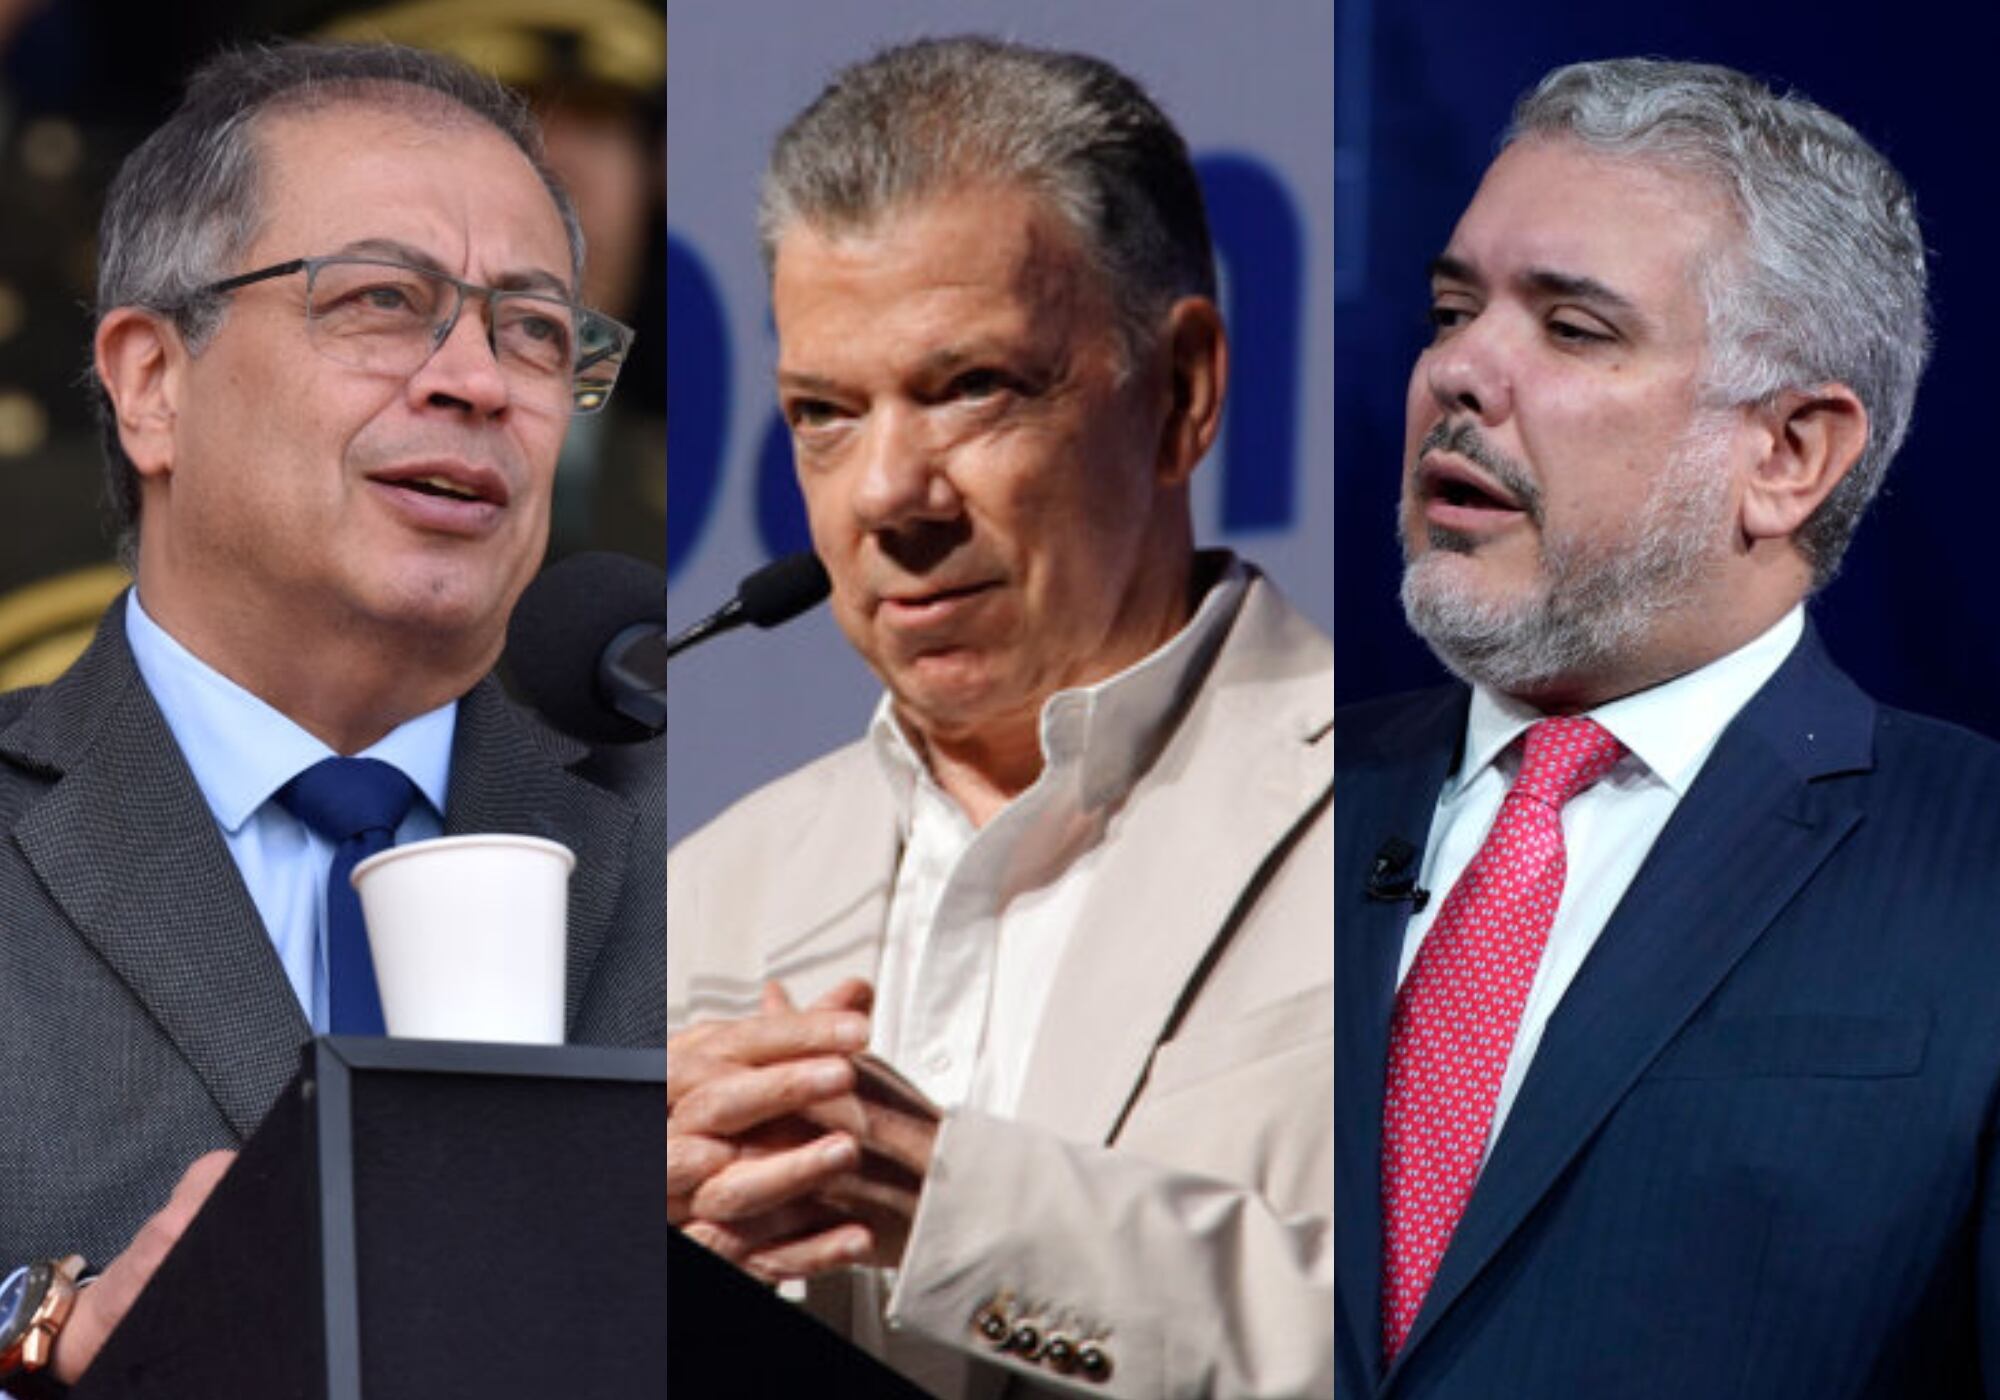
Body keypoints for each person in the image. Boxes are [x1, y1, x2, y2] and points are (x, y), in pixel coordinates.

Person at [667, 37, 1332, 1400]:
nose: (888, 499)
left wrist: (964, 1216)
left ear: (1183, 394)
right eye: (824, 415)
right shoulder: (704, 900)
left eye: (971, 388)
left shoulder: (1439, 823)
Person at [0, 40, 662, 1393]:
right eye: (381, 300)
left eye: (536, 329)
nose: (479, 381)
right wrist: (31, 1332)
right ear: (150, 383)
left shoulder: (712, 848)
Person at [1334, 58, 2000, 1398]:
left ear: (1788, 456)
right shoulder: (1275, 797)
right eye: (1453, 308)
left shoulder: (1972, 865)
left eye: (1572, 329)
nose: (1461, 369)